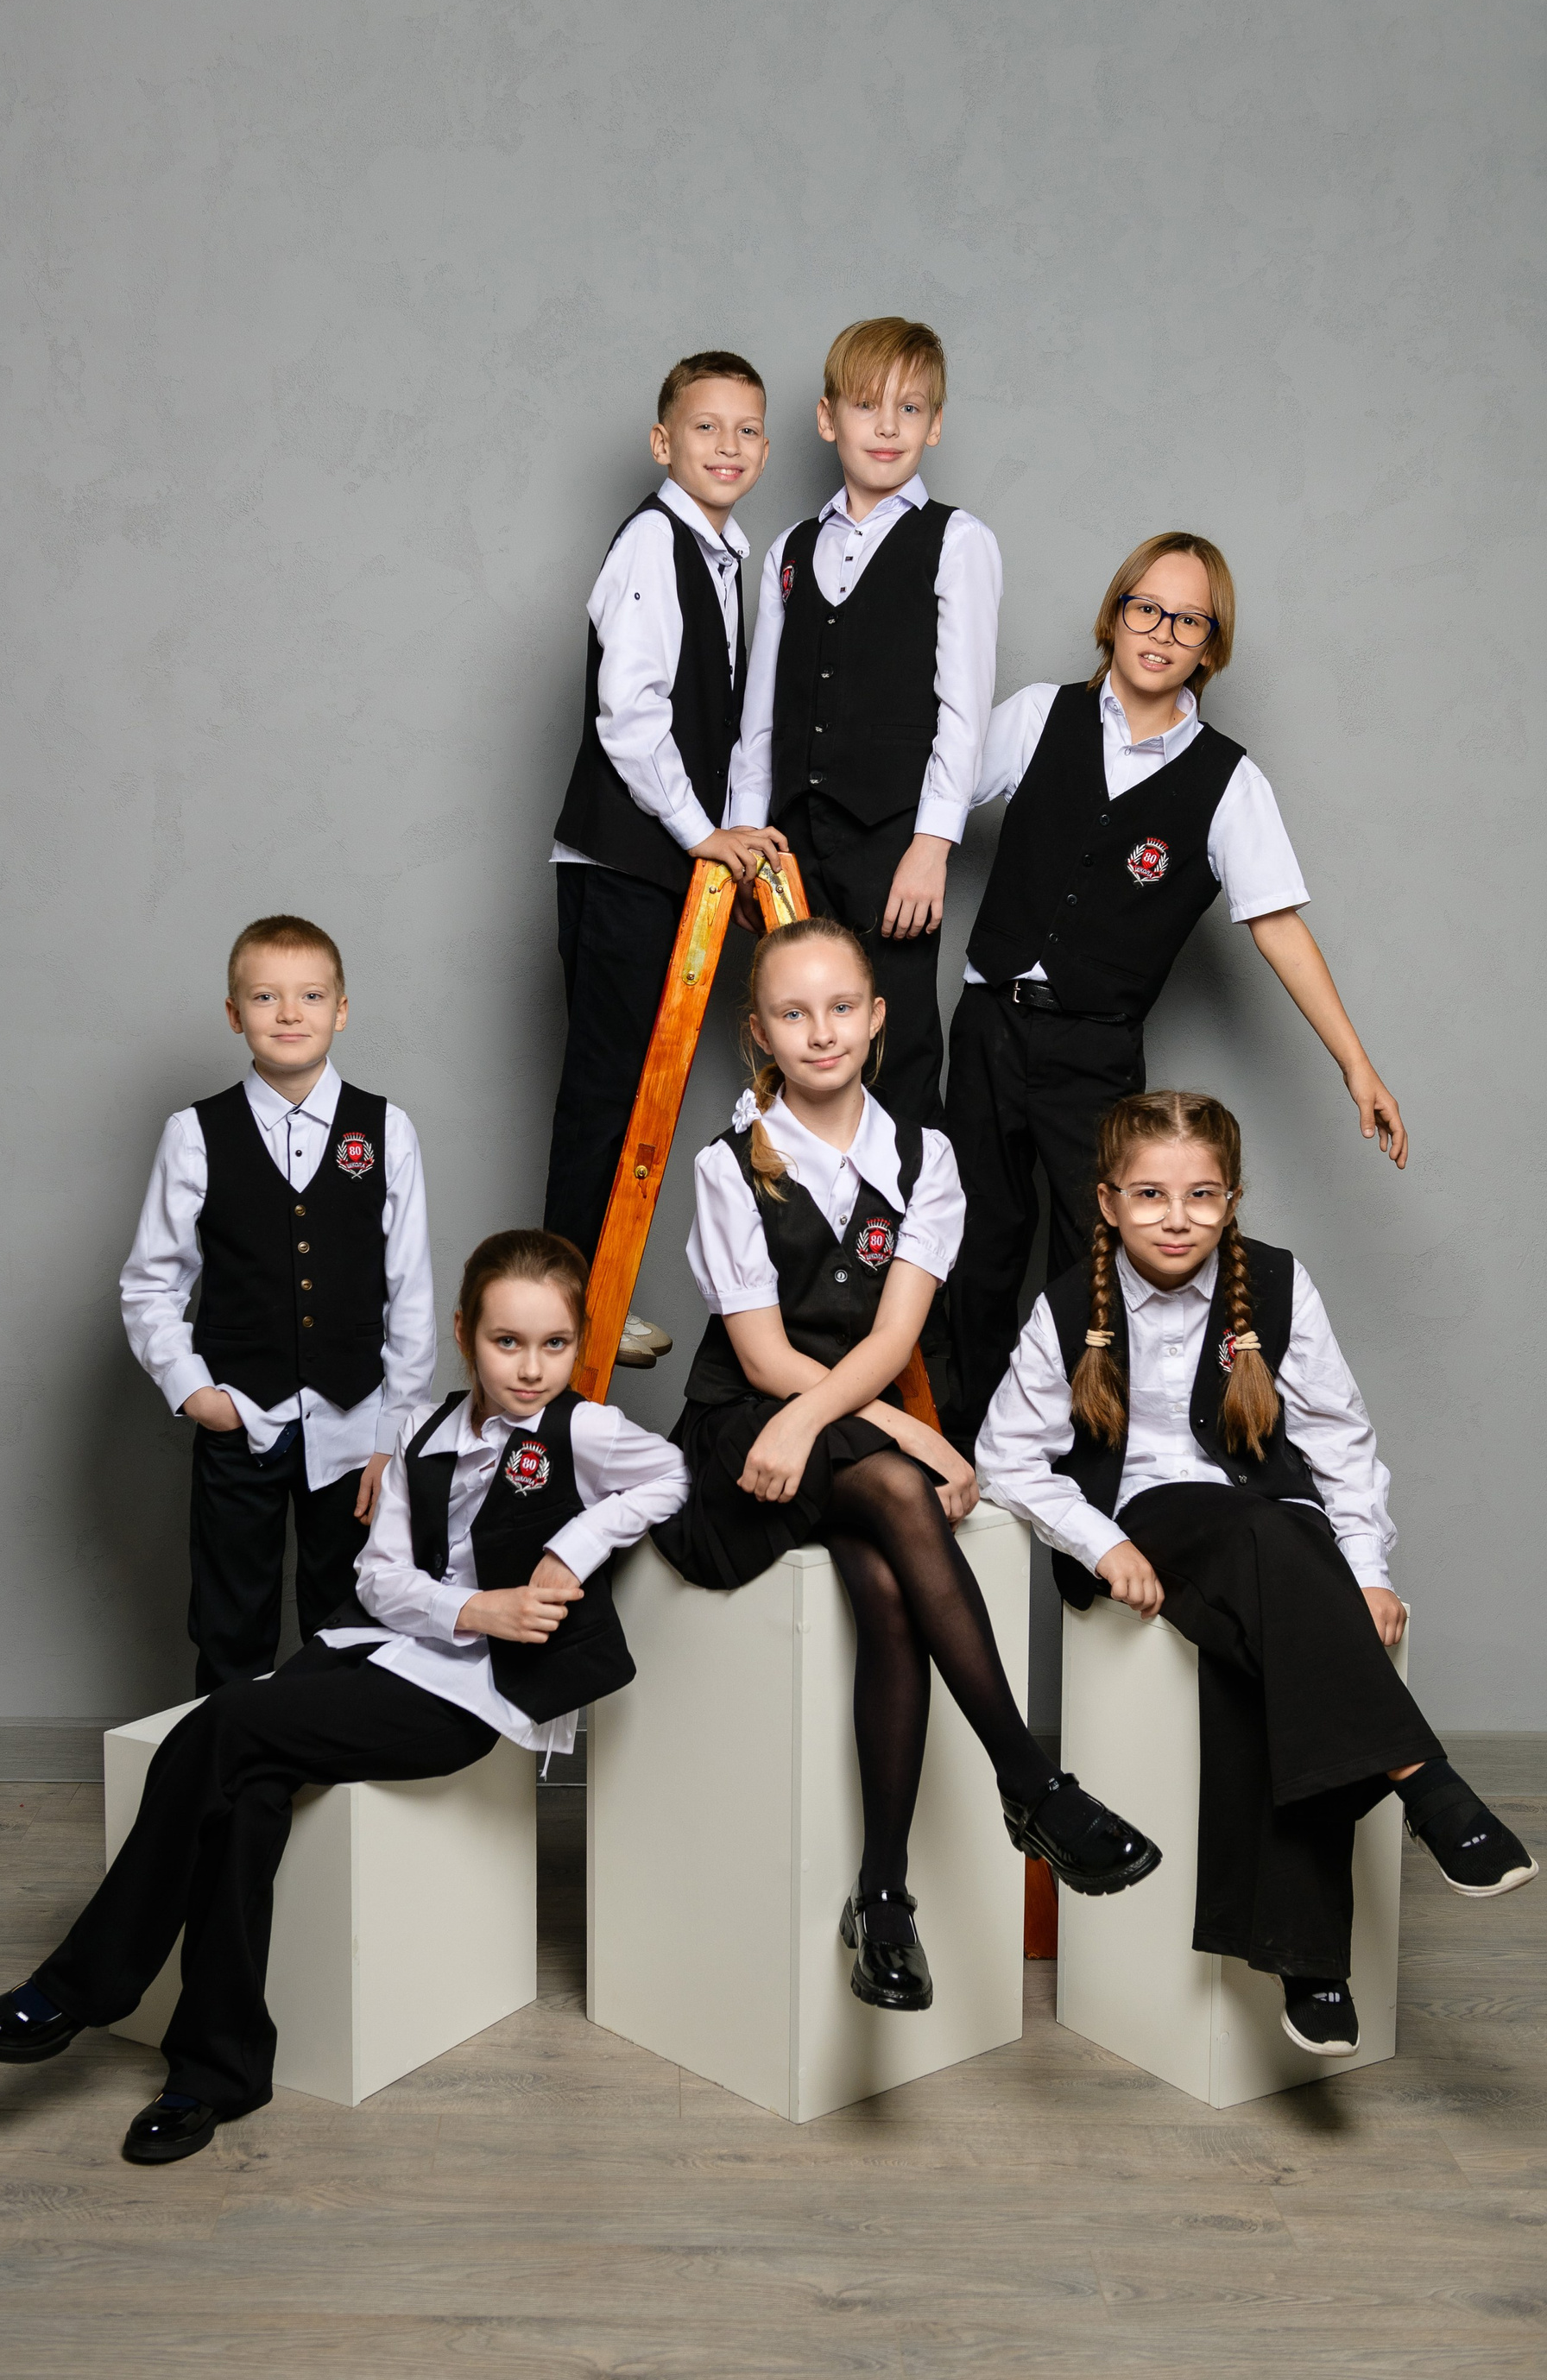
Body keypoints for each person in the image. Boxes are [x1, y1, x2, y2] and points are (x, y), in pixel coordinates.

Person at [0, 1229, 688, 2163]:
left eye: (555, 1344)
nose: (531, 1368)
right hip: (373, 1649)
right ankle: (216, 2072)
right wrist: (476, 1606)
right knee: (248, 1791)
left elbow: (672, 1475)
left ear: (579, 1342)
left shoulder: (583, 1430)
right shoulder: (418, 1431)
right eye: (507, 1342)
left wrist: (570, 1550)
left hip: (468, 1694)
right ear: (464, 1334)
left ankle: (81, 1986)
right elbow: (379, 1581)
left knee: (226, 1721)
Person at [651, 918, 1160, 2017]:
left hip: (834, 1428)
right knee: (893, 1486)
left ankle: (883, 1897)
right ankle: (1030, 1782)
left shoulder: (927, 1160)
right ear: (759, 1034)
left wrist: (870, 1425)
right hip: (746, 1439)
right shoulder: (726, 1164)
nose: (821, 1031)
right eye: (793, 1013)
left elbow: (891, 1339)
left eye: (842, 1007)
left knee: (888, 1592)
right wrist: (910, 1437)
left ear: (877, 1019)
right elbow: (762, 1359)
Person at [978, 1089, 1537, 2056]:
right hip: (1155, 1526)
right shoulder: (1069, 1305)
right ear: (1108, 1201)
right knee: (1274, 1539)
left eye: (1201, 1195)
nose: (1177, 1218)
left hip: (1268, 1534)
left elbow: (1339, 1439)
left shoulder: (1276, 1284)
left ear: (1231, 1199)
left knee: (1265, 1634)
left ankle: (1306, 1962)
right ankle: (1426, 1780)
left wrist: (1368, 1569)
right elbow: (1006, 1458)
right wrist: (1099, 1543)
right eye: (1150, 1195)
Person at [942, 532, 1408, 1451]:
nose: (1161, 632)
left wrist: (1357, 1065)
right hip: (989, 1028)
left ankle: (1074, 1472)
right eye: (1146, 608)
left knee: (1091, 1269)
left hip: (1095, 1052)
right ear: (1115, 616)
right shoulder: (1037, 717)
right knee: (973, 1252)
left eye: (1188, 621)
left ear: (1210, 647)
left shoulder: (1229, 780)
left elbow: (1278, 925)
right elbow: (931, 798)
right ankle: (962, 1463)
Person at [120, 913, 435, 1690]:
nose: (289, 1013)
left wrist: (394, 1431)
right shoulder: (195, 1133)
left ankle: (334, 1765)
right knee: (230, 1619)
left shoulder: (386, 1129)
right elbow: (151, 1282)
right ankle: (228, 1765)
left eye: (311, 996)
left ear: (341, 1010)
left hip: (357, 1428)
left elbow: (411, 1292)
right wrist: (196, 1393)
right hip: (241, 1418)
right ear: (235, 1015)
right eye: (266, 997)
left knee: (350, 1619)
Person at [546, 349, 786, 1364]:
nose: (728, 446)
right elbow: (631, 716)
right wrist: (702, 834)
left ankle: (594, 1296)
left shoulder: (723, 554)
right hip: (622, 865)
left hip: (666, 868)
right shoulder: (654, 541)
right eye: (705, 427)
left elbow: (721, 727)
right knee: (608, 1092)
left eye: (746, 430)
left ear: (766, 449)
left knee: (642, 1090)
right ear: (662, 441)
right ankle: (566, 1317)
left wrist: (731, 842)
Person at [726, 316, 1004, 1129]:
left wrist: (932, 845)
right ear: (827, 418)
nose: (887, 427)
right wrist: (745, 837)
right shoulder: (789, 548)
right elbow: (760, 717)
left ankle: (906, 1215)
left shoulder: (956, 541)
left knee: (898, 1048)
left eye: (910, 409)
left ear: (935, 424)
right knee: (801, 1050)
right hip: (791, 848)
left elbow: (964, 710)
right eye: (866, 406)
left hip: (894, 845)